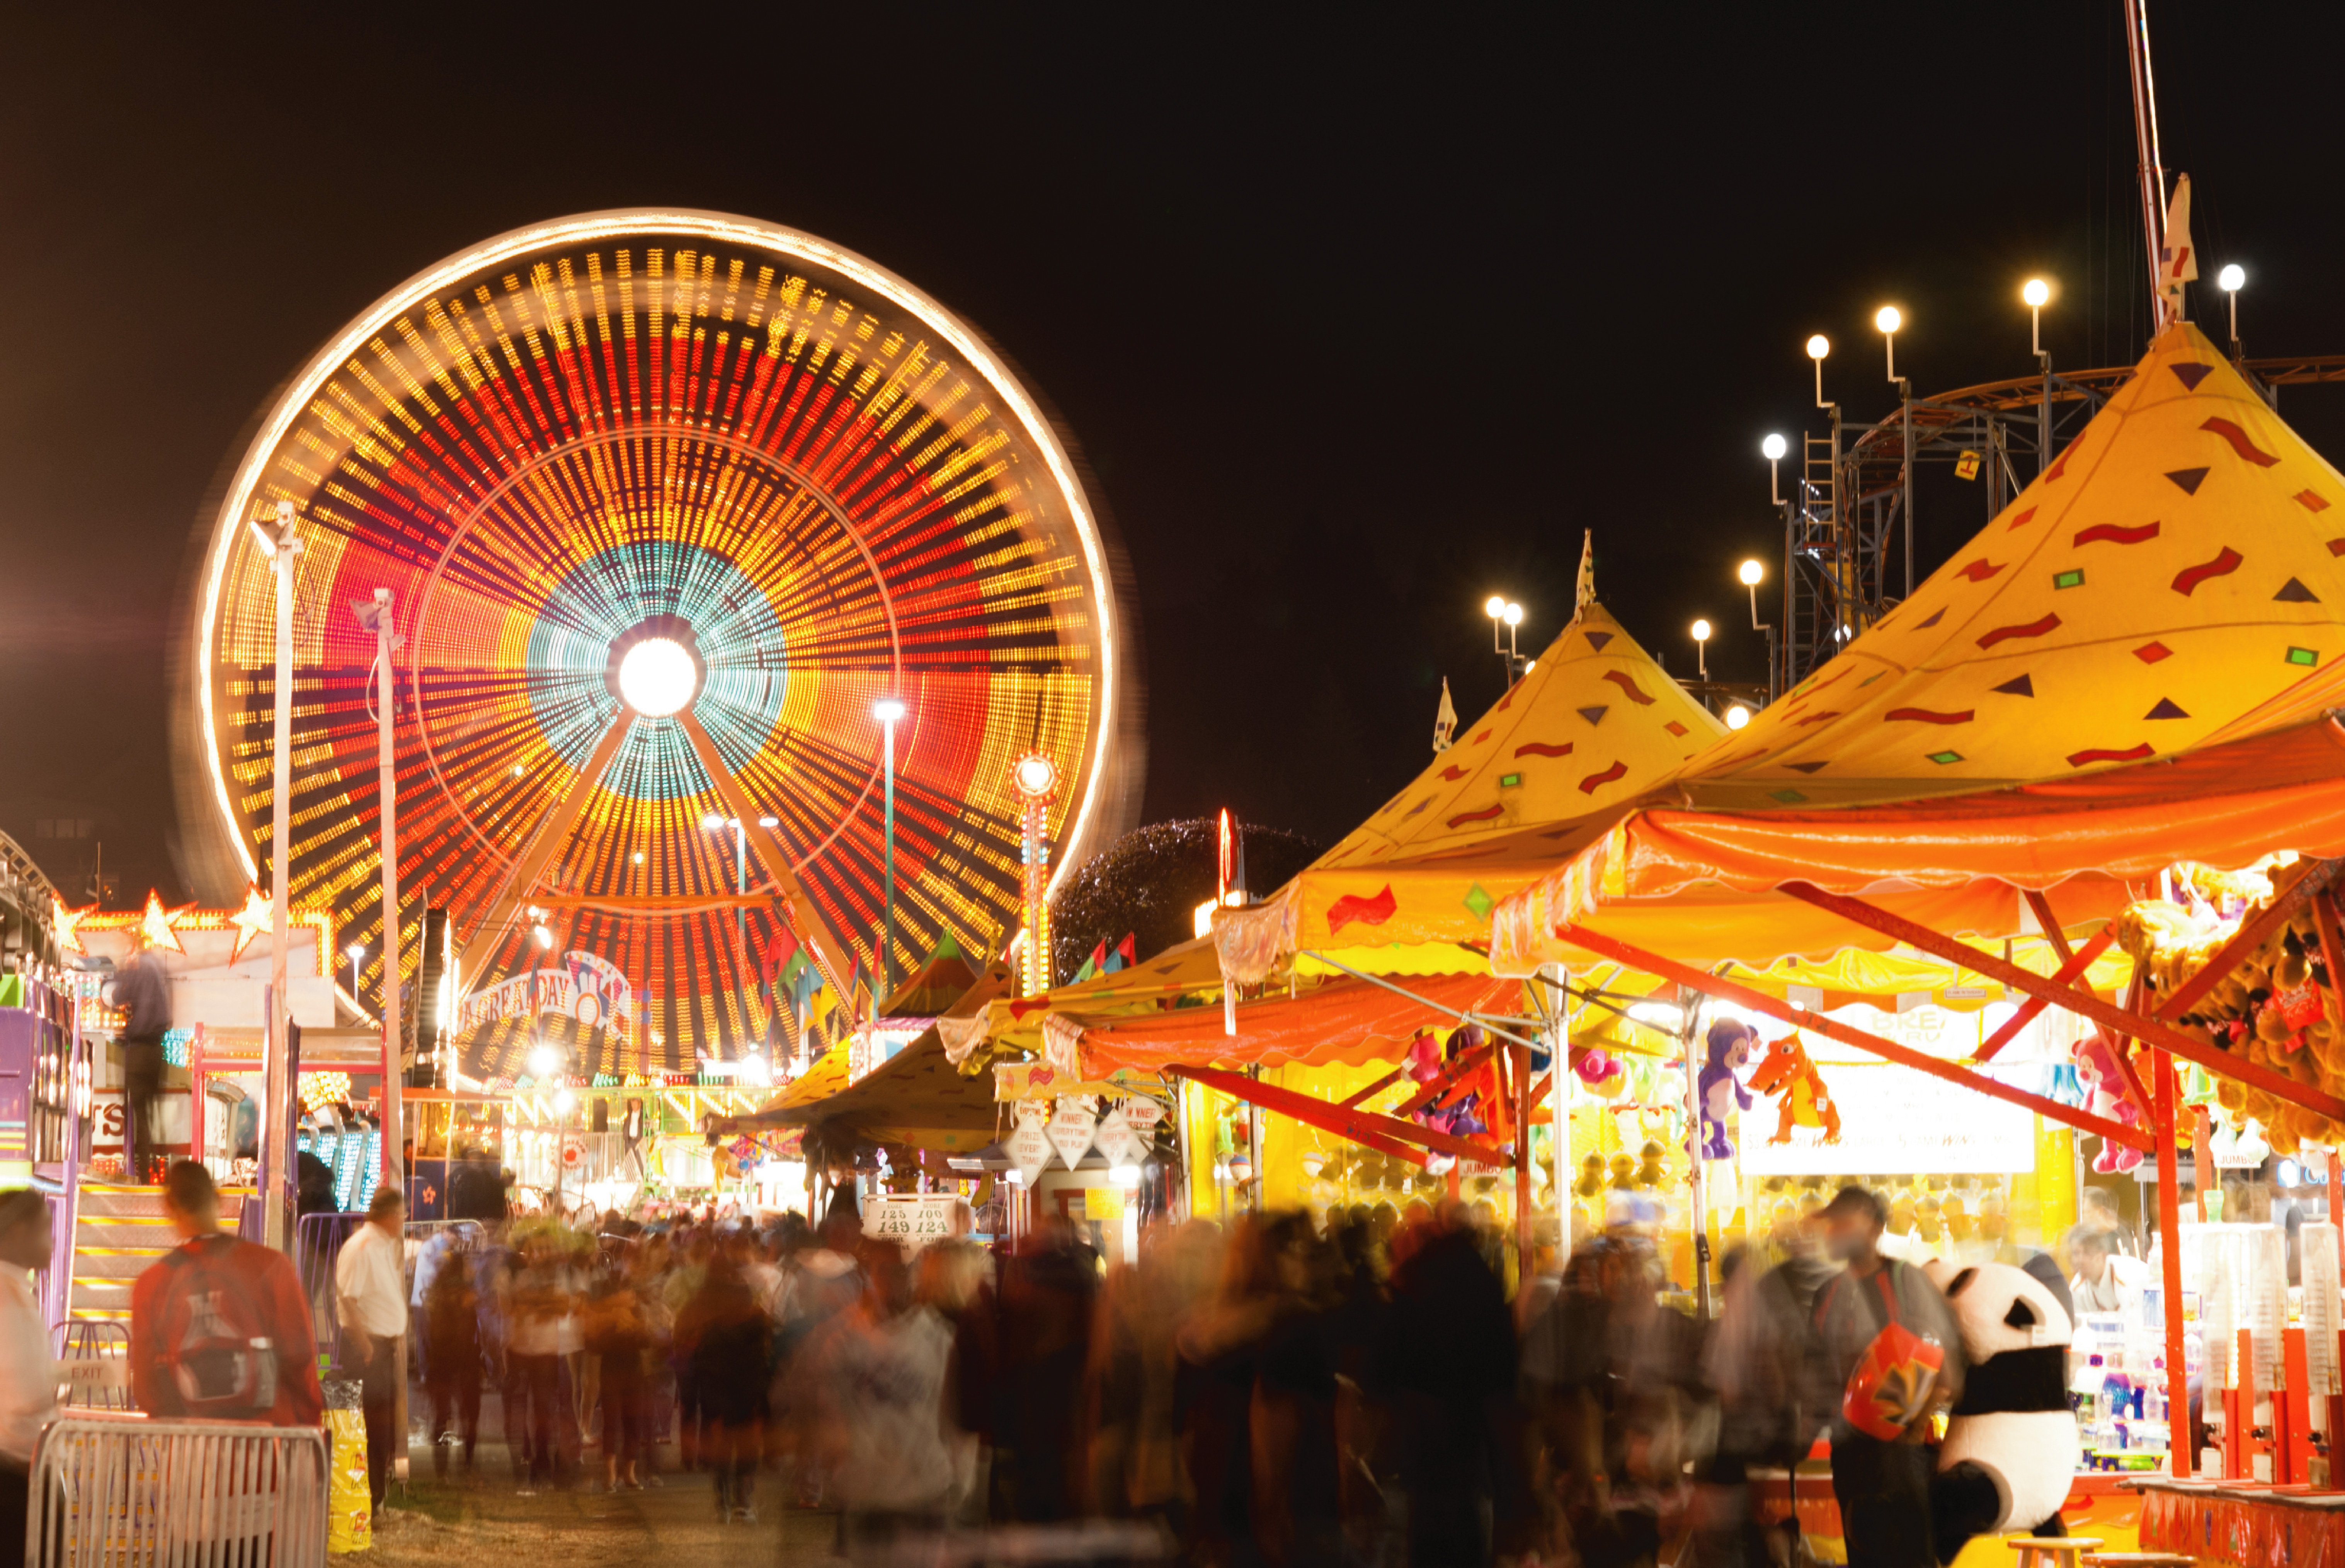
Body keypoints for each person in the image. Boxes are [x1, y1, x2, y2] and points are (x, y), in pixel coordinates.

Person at [1805, 1185, 1963, 1568]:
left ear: (1875, 1228)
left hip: (1900, 1458)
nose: (1834, 1232)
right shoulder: (1827, 1293)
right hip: (1847, 1453)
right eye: (1832, 1224)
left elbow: (1949, 1369)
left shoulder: (1904, 1281)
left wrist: (1913, 1427)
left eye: (1846, 1222)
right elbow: (1813, 1369)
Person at [130, 1161, 323, 1425]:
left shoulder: (151, 1284)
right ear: (218, 1200)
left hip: (190, 1452)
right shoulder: (270, 1266)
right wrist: (307, 1427)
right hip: (266, 1446)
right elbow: (300, 1359)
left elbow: (145, 1384)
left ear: (170, 1208)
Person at [336, 1187, 408, 1515]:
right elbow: (347, 1301)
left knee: (382, 1428)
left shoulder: (381, 1245)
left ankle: (376, 1496)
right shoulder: (362, 1248)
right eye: (402, 1214)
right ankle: (367, 1499)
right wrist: (366, 1347)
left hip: (382, 1347)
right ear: (391, 1215)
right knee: (371, 1428)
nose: (404, 1220)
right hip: (369, 1350)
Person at [0, 1191, 58, 1568]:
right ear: (19, 1233)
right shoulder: (7, 1297)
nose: (52, 1241)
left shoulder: (18, 1290)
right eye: (45, 1229)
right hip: (16, 1475)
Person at [107, 940, 171, 1184]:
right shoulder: (157, 968)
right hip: (157, 1050)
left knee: (138, 1113)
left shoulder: (137, 968)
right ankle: (154, 1168)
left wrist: (118, 979)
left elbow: (119, 995)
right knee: (151, 1114)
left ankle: (143, 1175)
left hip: (139, 1049)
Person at [2067, 1225, 2141, 1314]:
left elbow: (2133, 1323)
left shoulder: (2129, 1276)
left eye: (2086, 1253)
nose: (2078, 1261)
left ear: (2102, 1256)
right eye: (2076, 1254)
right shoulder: (2077, 1288)